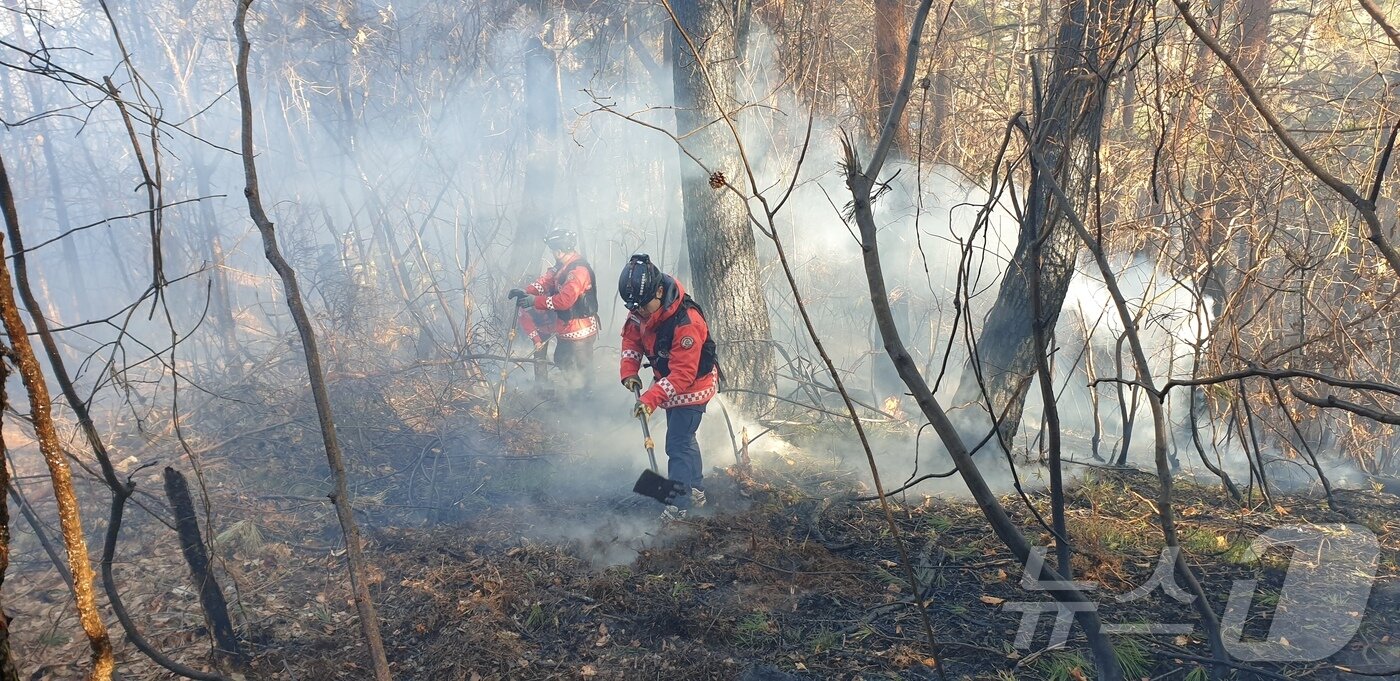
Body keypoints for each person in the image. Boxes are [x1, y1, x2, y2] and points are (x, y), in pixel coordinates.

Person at [617, 254, 719, 519]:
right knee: (684, 440)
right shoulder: (641, 306)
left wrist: (650, 399)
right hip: (670, 386)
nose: (638, 312)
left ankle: (679, 506)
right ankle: (695, 488)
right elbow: (631, 338)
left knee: (677, 444)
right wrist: (629, 371)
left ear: (660, 291)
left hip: (692, 388)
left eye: (642, 306)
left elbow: (683, 375)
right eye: (634, 308)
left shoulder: (687, 323)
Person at [508, 228, 599, 394]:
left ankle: (588, 401)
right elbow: (545, 282)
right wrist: (526, 291)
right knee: (562, 360)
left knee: (583, 370)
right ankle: (574, 392)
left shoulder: (578, 271)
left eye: (553, 250)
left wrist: (535, 301)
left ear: (559, 251)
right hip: (565, 328)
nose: (553, 253)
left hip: (581, 330)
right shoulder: (561, 267)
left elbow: (564, 301)